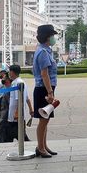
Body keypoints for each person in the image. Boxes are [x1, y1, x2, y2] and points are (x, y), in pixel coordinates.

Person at [32, 24, 59, 158]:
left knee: (46, 119)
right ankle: (40, 148)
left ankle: (43, 145)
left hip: (46, 88)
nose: (54, 38)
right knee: (43, 119)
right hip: (43, 89)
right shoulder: (42, 52)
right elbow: (44, 74)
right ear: (47, 37)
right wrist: (50, 92)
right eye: (52, 35)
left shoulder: (46, 50)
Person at [7, 64, 33, 142]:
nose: (9, 73)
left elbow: (19, 100)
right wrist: (31, 110)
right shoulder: (21, 82)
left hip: (16, 116)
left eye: (9, 71)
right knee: (20, 135)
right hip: (19, 115)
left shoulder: (16, 83)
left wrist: (16, 114)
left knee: (18, 135)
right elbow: (27, 98)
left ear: (12, 72)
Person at [0, 74, 13, 143]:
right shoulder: (2, 82)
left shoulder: (13, 86)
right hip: (3, 101)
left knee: (5, 125)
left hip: (7, 108)